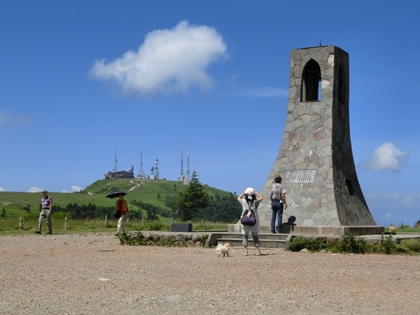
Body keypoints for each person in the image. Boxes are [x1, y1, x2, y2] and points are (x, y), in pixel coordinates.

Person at [237, 187, 263, 256]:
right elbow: (261, 198)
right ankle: (257, 251)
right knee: (255, 235)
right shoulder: (255, 202)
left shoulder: (243, 201)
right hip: (254, 221)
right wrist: (256, 192)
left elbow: (238, 198)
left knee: (245, 236)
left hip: (245, 220)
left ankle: (246, 251)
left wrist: (243, 193)